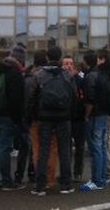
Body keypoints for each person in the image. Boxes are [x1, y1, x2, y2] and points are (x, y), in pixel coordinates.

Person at [30, 46, 76, 196]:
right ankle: (66, 184)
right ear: (60, 57)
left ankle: (40, 185)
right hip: (63, 116)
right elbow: (74, 96)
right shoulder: (67, 75)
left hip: (44, 117)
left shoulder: (39, 75)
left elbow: (33, 98)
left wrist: (34, 114)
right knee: (64, 150)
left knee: (43, 150)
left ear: (48, 57)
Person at [0, 44, 26, 191]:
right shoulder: (15, 73)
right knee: (5, 149)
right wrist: (17, 120)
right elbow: (16, 99)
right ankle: (6, 181)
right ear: (20, 59)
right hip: (7, 115)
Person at [80, 50, 110, 191]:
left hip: (95, 114)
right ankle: (102, 178)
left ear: (86, 61)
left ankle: (96, 179)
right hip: (105, 113)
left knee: (95, 146)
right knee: (102, 145)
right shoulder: (104, 74)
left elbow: (89, 99)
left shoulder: (90, 76)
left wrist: (86, 115)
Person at [62, 55, 85, 181]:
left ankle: (78, 172)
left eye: (70, 63)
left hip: (78, 118)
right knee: (66, 147)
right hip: (65, 117)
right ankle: (66, 172)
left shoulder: (80, 80)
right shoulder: (60, 79)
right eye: (66, 63)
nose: (68, 66)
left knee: (80, 146)